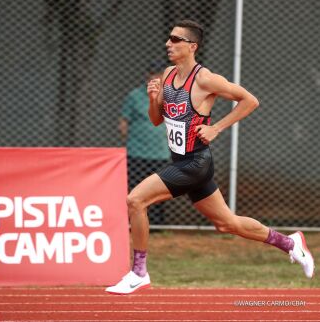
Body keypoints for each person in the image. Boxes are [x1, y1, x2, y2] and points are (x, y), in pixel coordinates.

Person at [106, 19, 315, 295]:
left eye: (175, 39)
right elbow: (157, 121)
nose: (168, 43)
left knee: (135, 200)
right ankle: (291, 243)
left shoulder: (206, 79)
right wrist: (154, 99)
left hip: (196, 162)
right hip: (181, 161)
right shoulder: (168, 75)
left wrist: (217, 127)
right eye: (169, 39)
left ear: (192, 46)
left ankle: (139, 272)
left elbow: (250, 100)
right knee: (226, 223)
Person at [119, 62, 170, 225]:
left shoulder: (170, 95)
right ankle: (134, 222)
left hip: (161, 152)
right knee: (136, 189)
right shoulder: (135, 95)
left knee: (159, 189)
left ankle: (157, 223)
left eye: (159, 75)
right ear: (147, 76)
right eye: (152, 75)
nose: (155, 78)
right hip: (137, 152)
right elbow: (123, 123)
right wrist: (131, 139)